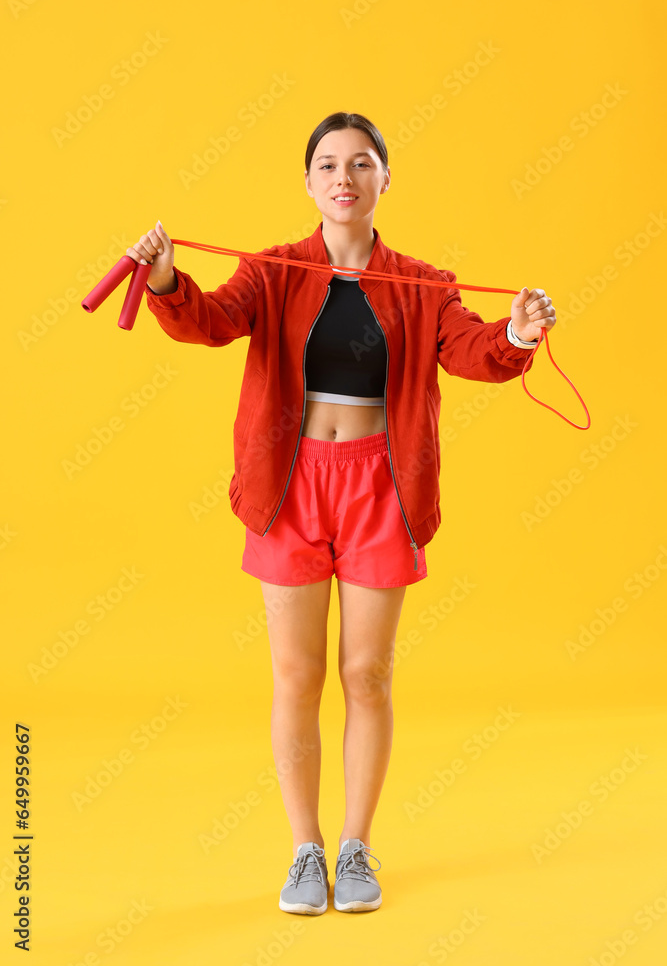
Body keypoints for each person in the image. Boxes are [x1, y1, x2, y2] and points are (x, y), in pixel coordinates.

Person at [127, 111, 556, 916]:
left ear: (383, 180)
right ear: (308, 182)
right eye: (328, 164)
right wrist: (161, 281)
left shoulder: (422, 282)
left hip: (381, 487)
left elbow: (471, 352)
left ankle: (355, 847)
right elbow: (210, 322)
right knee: (297, 674)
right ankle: (304, 850)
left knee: (367, 673)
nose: (343, 178)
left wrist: (517, 334)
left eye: (361, 164)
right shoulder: (274, 270)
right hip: (287, 486)